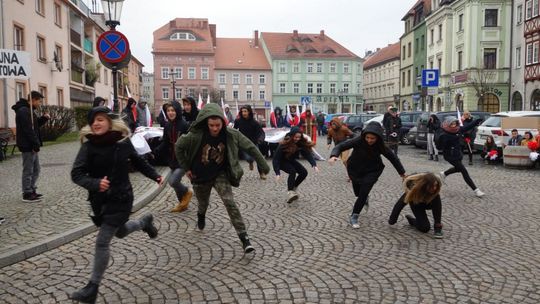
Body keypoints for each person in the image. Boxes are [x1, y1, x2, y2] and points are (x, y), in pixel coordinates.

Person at [70, 106, 163, 303]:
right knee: (120, 232)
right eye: (93, 120)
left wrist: (155, 176)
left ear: (110, 122)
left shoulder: (122, 143)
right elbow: (76, 174)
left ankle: (92, 289)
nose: (96, 123)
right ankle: (144, 223)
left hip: (121, 198)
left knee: (103, 241)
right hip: (100, 202)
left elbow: (138, 162)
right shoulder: (88, 147)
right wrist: (95, 184)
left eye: (101, 119)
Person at [175, 103, 270, 253]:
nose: (215, 128)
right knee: (203, 203)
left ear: (223, 122)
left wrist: (263, 165)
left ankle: (244, 238)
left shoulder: (231, 134)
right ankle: (201, 215)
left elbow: (250, 146)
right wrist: (186, 168)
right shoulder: (195, 135)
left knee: (229, 202)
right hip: (200, 177)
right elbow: (178, 147)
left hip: (220, 174)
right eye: (211, 125)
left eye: (218, 125)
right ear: (206, 122)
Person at [329, 122, 406, 229]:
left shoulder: (381, 146)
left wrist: (402, 173)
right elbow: (341, 146)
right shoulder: (358, 140)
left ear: (377, 138)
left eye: (372, 138)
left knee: (363, 192)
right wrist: (333, 155)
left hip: (372, 170)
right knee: (357, 192)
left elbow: (393, 158)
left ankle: (354, 216)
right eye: (367, 137)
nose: (369, 140)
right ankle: (364, 199)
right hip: (355, 169)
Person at [12, 91, 49, 202]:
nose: (39, 104)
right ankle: (27, 193)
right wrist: (35, 144)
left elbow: (34, 125)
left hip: (31, 144)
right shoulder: (24, 111)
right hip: (27, 145)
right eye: (39, 101)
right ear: (33, 100)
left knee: (36, 169)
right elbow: (28, 130)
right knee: (28, 170)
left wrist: (44, 118)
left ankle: (32, 189)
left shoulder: (29, 111)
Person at [156, 103, 192, 213]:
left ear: (177, 111)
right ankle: (182, 203)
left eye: (173, 110)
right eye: (168, 111)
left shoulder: (184, 124)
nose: (170, 113)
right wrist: (156, 150)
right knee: (176, 184)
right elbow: (166, 141)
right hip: (172, 158)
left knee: (173, 181)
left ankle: (187, 192)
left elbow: (191, 142)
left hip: (183, 159)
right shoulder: (167, 125)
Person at [438, 117, 485, 197]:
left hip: (458, 154)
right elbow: (439, 146)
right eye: (452, 124)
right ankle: (476, 190)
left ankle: (444, 173)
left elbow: (469, 126)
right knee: (464, 171)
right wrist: (443, 144)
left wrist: (477, 120)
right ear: (448, 124)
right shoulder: (444, 134)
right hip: (450, 156)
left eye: (455, 123)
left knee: (458, 169)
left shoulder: (458, 129)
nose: (454, 125)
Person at [388, 173, 443, 239]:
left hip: (429, 203)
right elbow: (401, 203)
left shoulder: (435, 191)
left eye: (436, 185)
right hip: (416, 204)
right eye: (432, 186)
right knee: (425, 228)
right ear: (425, 185)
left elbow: (438, 208)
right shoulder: (414, 188)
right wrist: (392, 219)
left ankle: (437, 226)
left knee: (436, 198)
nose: (434, 188)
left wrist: (437, 226)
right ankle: (412, 220)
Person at [273, 127, 319, 203]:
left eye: (299, 137)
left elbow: (307, 154)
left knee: (304, 172)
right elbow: (276, 159)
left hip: (291, 161)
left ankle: (293, 187)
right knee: (292, 171)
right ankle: (290, 192)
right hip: (282, 162)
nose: (297, 139)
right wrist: (277, 172)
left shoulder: (300, 143)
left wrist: (314, 165)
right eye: (296, 137)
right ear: (291, 136)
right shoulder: (284, 144)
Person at [234, 105, 267, 179]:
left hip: (254, 143)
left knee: (259, 158)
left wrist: (260, 139)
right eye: (242, 111)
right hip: (243, 143)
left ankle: (262, 173)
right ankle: (250, 162)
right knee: (248, 158)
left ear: (249, 112)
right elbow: (234, 131)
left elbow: (261, 132)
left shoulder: (254, 122)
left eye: (245, 111)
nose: (243, 113)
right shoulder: (238, 121)